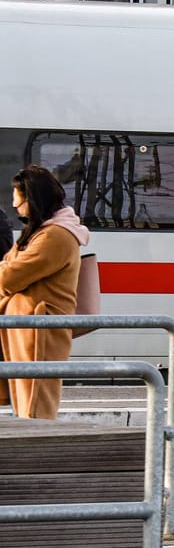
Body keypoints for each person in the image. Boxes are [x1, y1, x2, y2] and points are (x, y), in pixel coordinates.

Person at [0, 166, 90, 419]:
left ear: (33, 197)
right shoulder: (43, 232)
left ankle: (36, 455)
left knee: (36, 403)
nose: (15, 205)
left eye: (19, 197)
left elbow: (9, 276)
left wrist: (6, 269)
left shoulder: (55, 236)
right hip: (29, 326)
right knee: (26, 401)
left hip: (40, 329)